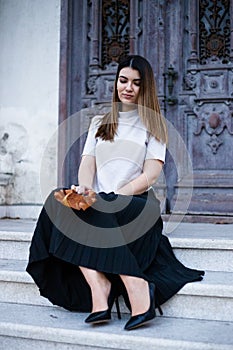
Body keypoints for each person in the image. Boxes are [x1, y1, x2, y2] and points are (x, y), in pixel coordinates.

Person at [26, 55, 204, 331]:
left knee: (101, 209)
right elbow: (87, 164)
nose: (128, 88)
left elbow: (151, 175)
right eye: (123, 81)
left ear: (145, 88)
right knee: (56, 201)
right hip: (101, 201)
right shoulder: (100, 122)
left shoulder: (155, 125)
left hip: (137, 203)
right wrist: (85, 189)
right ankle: (99, 285)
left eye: (136, 83)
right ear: (116, 82)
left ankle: (137, 286)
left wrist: (118, 194)